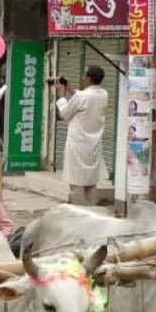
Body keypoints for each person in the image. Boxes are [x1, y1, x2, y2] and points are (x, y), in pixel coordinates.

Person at [55, 65, 108, 206]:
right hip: (94, 146)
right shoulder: (103, 94)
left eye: (85, 75)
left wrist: (61, 96)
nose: (83, 78)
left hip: (78, 146)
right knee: (91, 183)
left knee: (76, 184)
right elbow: (84, 99)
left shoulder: (81, 96)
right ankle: (93, 214)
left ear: (89, 78)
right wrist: (71, 90)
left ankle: (79, 215)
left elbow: (65, 114)